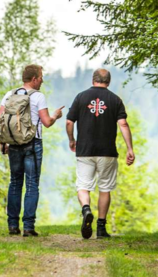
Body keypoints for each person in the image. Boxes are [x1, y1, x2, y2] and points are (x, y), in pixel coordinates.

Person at [66, 68, 135, 239]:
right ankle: (101, 228)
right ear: (108, 81)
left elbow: (69, 121)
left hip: (85, 151)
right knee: (105, 188)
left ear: (93, 79)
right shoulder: (115, 99)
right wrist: (129, 148)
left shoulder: (81, 97)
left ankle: (86, 209)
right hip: (107, 152)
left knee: (83, 186)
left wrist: (71, 139)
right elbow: (123, 124)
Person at [0, 64, 64, 237]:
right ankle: (28, 226)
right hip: (33, 144)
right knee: (32, 184)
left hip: (13, 144)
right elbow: (46, 122)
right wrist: (56, 115)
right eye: (41, 77)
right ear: (34, 79)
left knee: (15, 182)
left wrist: (3, 141)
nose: (42, 80)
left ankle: (12, 225)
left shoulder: (9, 95)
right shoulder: (38, 97)